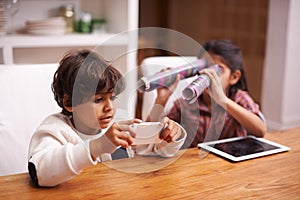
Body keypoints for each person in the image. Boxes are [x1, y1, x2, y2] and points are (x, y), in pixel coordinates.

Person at [28, 49, 186, 187]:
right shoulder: (55, 130)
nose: (109, 107)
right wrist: (98, 146)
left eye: (113, 97)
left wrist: (169, 135)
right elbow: (40, 172)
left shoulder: (115, 121)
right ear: (70, 102)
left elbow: (151, 152)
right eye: (98, 100)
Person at [147, 39, 266, 148]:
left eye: (219, 70)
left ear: (234, 77)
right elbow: (147, 135)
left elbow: (260, 131)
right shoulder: (187, 103)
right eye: (205, 67)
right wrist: (161, 98)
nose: (208, 74)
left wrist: (223, 100)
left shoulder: (239, 98)